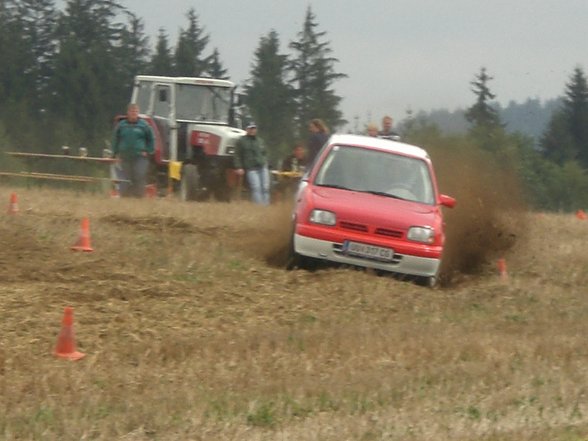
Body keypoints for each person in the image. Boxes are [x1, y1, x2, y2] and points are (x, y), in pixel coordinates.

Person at [112, 103, 155, 197]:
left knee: (139, 175)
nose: (134, 113)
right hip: (124, 156)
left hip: (140, 156)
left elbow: (151, 139)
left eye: (135, 111)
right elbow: (115, 139)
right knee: (125, 177)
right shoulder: (121, 125)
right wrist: (115, 154)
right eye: (132, 111)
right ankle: (125, 196)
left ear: (138, 113)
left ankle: (139, 197)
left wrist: (148, 151)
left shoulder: (144, 125)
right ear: (128, 113)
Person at [233, 122, 270, 205]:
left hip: (263, 167)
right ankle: (259, 207)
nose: (253, 130)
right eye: (251, 128)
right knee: (256, 188)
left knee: (265, 188)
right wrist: (239, 167)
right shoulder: (241, 141)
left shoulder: (260, 141)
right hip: (251, 168)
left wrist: (266, 161)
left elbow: (265, 153)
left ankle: (266, 206)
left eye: (254, 128)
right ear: (247, 129)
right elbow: (237, 155)